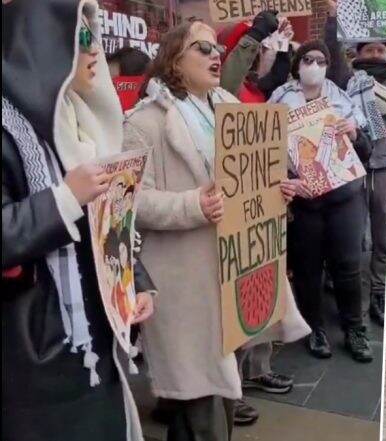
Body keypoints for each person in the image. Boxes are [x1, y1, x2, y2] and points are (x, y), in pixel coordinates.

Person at [3, 1, 155, 440]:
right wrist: (65, 197)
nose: (95, 52)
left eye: (94, 36)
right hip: (33, 357)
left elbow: (108, 221)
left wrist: (136, 284)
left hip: (98, 338)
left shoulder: (84, 123)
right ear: (39, 43)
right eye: (80, 36)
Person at [123, 20, 243, 441]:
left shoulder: (228, 105)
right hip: (183, 276)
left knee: (221, 385)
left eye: (217, 49)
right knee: (200, 393)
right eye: (203, 48)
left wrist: (276, 185)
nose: (216, 55)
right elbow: (130, 202)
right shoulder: (145, 122)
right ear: (175, 60)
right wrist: (193, 205)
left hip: (231, 267)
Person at [214, 11, 308, 427]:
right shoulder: (228, 92)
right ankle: (227, 388)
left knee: (260, 296)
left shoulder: (261, 91)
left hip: (261, 213)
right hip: (229, 214)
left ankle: (255, 371)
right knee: (230, 308)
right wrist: (256, 33)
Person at [269, 41, 375, 363]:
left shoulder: (343, 101)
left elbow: (367, 153)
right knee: (307, 268)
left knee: (347, 265)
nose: (314, 65)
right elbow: (268, 150)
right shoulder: (279, 100)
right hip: (304, 201)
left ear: (328, 66)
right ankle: (314, 327)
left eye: (320, 60)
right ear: (298, 64)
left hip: (344, 199)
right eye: (308, 59)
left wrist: (355, 135)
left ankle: (354, 329)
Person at [325, 0, 386, 326]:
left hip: (384, 165)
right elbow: (332, 54)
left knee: (381, 234)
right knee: (351, 237)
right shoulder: (346, 82)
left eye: (381, 50)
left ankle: (378, 292)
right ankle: (351, 297)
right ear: (360, 53)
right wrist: (333, 17)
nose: (375, 55)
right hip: (351, 165)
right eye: (370, 51)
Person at [218, 11, 294, 103]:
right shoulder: (222, 89)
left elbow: (277, 78)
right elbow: (232, 75)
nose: (258, 53)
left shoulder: (255, 89)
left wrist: (282, 42)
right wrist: (256, 34)